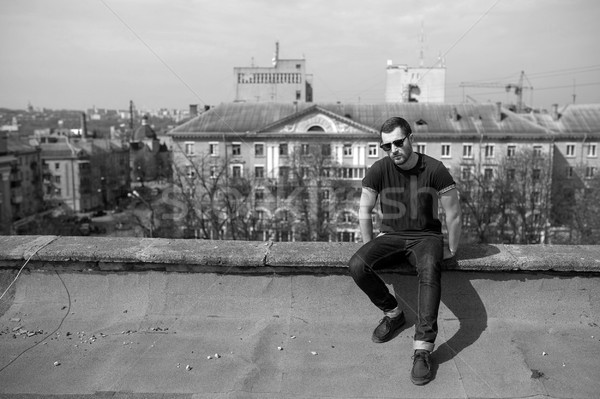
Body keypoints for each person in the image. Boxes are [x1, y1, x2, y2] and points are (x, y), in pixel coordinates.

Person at [348, 116, 461, 385]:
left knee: (429, 271)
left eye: (398, 142)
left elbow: (453, 214)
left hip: (426, 237)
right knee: (357, 264)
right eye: (386, 146)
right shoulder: (379, 169)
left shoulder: (435, 169)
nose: (393, 150)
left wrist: (453, 249)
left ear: (411, 138)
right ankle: (393, 314)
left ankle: (422, 349)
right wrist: (368, 244)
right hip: (392, 236)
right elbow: (365, 210)